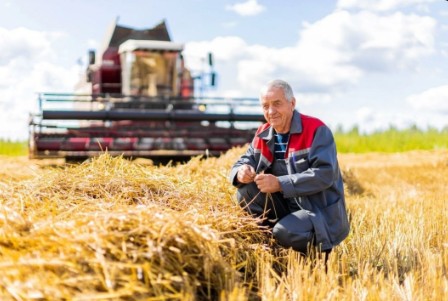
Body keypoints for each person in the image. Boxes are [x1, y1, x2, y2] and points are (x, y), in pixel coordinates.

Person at [229, 79, 350, 256]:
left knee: (286, 232)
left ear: (292, 103)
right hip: (287, 206)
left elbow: (324, 174)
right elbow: (242, 162)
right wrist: (241, 172)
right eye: (265, 106)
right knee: (245, 191)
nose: (271, 111)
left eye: (277, 104)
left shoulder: (316, 130)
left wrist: (280, 184)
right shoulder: (263, 134)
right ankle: (272, 250)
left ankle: (317, 254)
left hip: (317, 211)